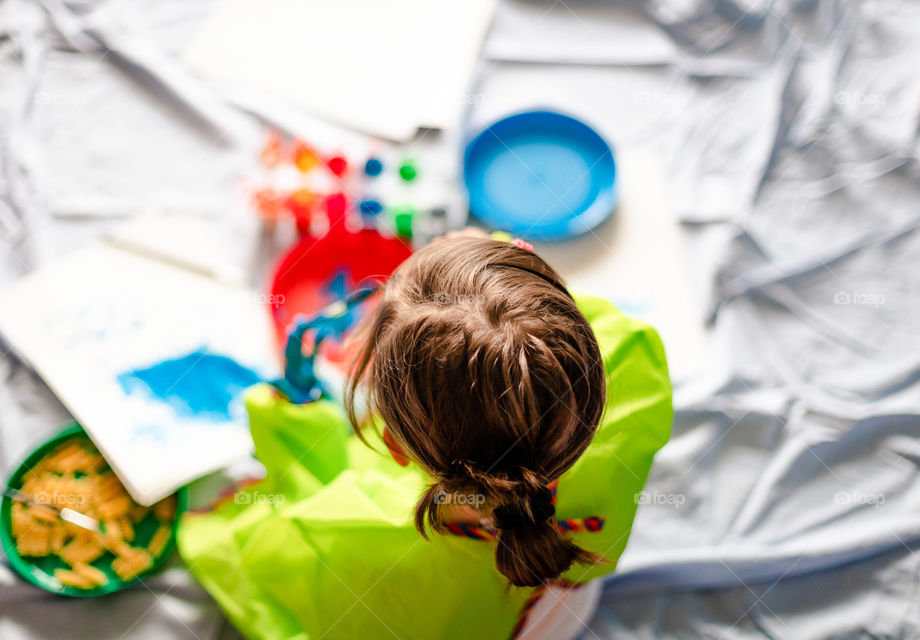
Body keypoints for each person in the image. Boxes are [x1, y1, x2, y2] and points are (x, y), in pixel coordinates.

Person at [178, 231, 673, 639]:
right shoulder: (631, 359)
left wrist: (295, 412)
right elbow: (557, 326)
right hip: (564, 593)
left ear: (393, 444)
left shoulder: (362, 540)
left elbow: (270, 546)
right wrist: (500, 263)